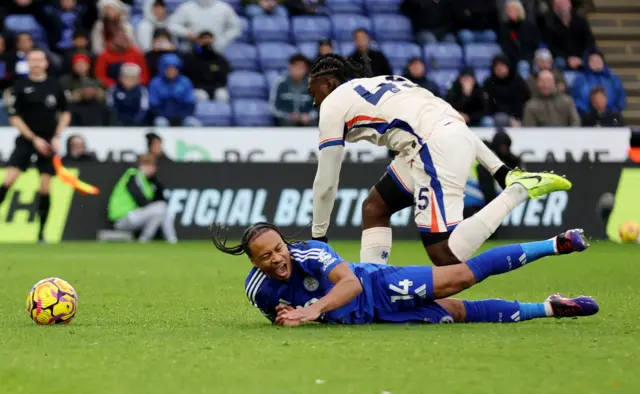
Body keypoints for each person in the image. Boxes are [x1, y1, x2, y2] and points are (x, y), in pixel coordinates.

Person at [306, 53, 571, 269]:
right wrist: (500, 170)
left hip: (432, 147)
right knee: (375, 207)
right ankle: (374, 283)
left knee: (445, 254)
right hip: (440, 139)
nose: (313, 100)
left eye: (313, 91)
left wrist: (319, 237)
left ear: (328, 84)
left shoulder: (332, 105)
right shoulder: (388, 80)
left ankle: (516, 194)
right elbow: (453, 124)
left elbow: (327, 181)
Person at [213, 222, 598, 326]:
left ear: (285, 242)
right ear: (253, 262)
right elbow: (281, 314)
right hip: (371, 319)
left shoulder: (312, 253)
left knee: (460, 277)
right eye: (266, 256)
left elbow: (350, 283)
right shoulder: (258, 290)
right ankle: (548, 308)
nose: (278, 258)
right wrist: (287, 318)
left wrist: (312, 311)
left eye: (279, 248)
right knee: (459, 312)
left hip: (376, 287)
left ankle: (552, 243)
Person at [0, 49, 71, 243]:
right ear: (28, 63)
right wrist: (33, 139)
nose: (37, 63)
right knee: (8, 181)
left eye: (40, 59)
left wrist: (57, 136)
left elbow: (65, 112)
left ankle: (42, 235)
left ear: (46, 63)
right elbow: (15, 118)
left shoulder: (55, 85)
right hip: (27, 141)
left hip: (49, 142)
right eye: (33, 60)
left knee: (45, 188)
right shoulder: (20, 86)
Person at [107, 153, 177, 243]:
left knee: (163, 210)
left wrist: (155, 182)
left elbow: (160, 199)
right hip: (122, 218)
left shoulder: (148, 182)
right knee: (161, 207)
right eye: (150, 166)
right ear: (142, 165)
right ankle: (149, 238)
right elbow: (140, 199)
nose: (153, 169)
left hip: (136, 216)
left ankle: (171, 240)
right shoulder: (133, 175)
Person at [168, 0, 241, 54]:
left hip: (216, 49)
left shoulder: (224, 8)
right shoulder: (186, 7)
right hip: (192, 49)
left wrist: (222, 40)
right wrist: (187, 33)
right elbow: (172, 25)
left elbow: (236, 27)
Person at [148, 53, 201, 127]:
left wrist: (181, 116)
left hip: (182, 116)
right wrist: (168, 115)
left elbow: (190, 103)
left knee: (193, 123)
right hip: (163, 116)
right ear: (163, 69)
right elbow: (153, 105)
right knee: (160, 122)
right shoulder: (155, 82)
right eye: (169, 69)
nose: (172, 71)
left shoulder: (185, 81)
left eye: (174, 68)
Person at [540, 0, 594, 70]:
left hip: (581, 57)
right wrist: (568, 58)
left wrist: (581, 58)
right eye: (557, 5)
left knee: (594, 59)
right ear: (553, 8)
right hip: (561, 58)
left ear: (570, 4)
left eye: (563, 4)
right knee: (559, 62)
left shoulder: (581, 22)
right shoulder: (549, 25)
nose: (561, 7)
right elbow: (551, 46)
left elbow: (589, 42)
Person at [570, 49, 626, 116]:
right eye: (593, 60)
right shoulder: (580, 79)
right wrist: (586, 112)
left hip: (611, 116)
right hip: (586, 117)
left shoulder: (613, 79)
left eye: (598, 60)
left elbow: (620, 99)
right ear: (587, 63)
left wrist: (611, 112)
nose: (596, 63)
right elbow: (574, 99)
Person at [483, 54, 530, 127]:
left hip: (517, 116)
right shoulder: (488, 83)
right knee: (490, 121)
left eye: (502, 66)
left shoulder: (518, 81)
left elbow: (522, 101)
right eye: (497, 67)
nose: (500, 69)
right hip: (495, 115)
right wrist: (509, 119)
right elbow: (489, 104)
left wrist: (517, 119)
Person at [269, 54, 316, 127]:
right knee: (286, 123)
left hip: (307, 121)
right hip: (286, 120)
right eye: (296, 67)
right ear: (290, 67)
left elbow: (318, 107)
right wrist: (288, 115)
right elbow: (273, 107)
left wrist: (309, 116)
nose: (298, 70)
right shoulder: (281, 83)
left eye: (301, 68)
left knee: (314, 123)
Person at [182, 31, 230, 102]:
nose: (206, 41)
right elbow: (188, 75)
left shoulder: (219, 58)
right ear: (198, 41)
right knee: (200, 96)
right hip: (198, 88)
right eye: (203, 38)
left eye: (209, 39)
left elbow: (223, 76)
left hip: (216, 88)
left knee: (222, 95)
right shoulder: (190, 57)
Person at [499, 0, 540, 66]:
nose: (509, 12)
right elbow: (504, 44)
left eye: (512, 10)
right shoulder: (504, 27)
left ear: (519, 11)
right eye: (508, 10)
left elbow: (535, 42)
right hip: (511, 59)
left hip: (529, 57)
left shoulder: (529, 26)